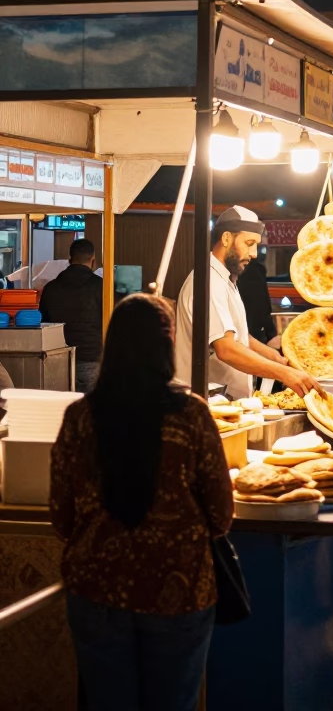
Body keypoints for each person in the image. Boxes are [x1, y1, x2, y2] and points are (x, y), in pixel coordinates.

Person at [49, 294, 233, 711]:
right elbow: (221, 515)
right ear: (165, 348)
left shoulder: (80, 418)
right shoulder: (192, 416)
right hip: (179, 588)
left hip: (97, 589)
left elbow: (61, 514)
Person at [175, 205, 321, 399]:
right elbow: (226, 349)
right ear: (226, 238)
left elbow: (240, 337)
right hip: (205, 405)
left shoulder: (225, 279)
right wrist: (286, 374)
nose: (253, 253)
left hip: (227, 404)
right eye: (249, 243)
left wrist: (277, 359)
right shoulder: (208, 281)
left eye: (256, 245)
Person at [39, 238, 102, 392]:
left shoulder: (51, 288)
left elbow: (43, 323)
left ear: (70, 260)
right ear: (93, 261)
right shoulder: (101, 287)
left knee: (61, 411)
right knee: (92, 412)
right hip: (92, 358)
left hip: (57, 360)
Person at [235, 256, 281, 348]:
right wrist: (270, 334)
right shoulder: (253, 270)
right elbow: (261, 305)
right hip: (252, 333)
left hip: (247, 334)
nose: (254, 253)